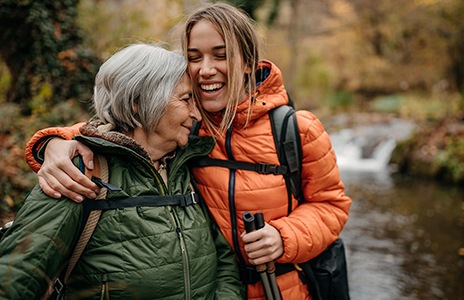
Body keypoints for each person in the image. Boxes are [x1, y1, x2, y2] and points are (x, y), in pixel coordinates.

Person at [23, 3, 352, 300]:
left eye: (220, 55)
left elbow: (331, 206)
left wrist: (285, 236)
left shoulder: (297, 129)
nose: (205, 69)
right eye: (194, 57)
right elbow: (121, 125)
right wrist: (56, 141)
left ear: (250, 62)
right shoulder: (183, 126)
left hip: (283, 289)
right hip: (210, 288)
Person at [0, 43, 243, 299]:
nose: (196, 114)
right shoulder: (80, 173)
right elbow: (15, 279)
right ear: (139, 103)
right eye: (185, 100)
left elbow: (224, 265)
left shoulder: (186, 169)